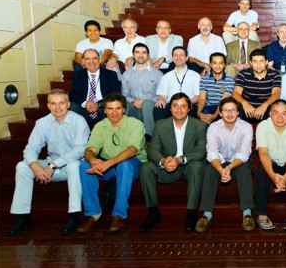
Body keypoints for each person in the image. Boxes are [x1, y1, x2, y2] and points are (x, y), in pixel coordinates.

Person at [7, 89, 90, 237]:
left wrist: (53, 165)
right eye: (53, 103)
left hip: (72, 165)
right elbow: (31, 149)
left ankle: (74, 215)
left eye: (61, 103)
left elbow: (79, 150)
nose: (57, 107)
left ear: (68, 104)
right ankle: (22, 216)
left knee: (74, 165)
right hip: (51, 165)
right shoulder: (42, 123)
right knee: (22, 166)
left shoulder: (79, 121)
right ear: (48, 106)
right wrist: (34, 165)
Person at [77, 92, 147, 233]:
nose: (114, 113)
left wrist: (107, 163)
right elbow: (90, 149)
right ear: (104, 111)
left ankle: (118, 215)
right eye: (110, 109)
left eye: (118, 108)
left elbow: (132, 150)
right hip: (108, 166)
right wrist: (93, 160)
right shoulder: (100, 126)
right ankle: (93, 214)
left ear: (124, 109)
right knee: (84, 165)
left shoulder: (136, 124)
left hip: (133, 165)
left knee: (124, 165)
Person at [138, 92, 207, 232]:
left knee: (198, 166)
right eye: (175, 106)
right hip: (167, 167)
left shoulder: (200, 126)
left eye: (183, 106)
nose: (179, 109)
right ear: (170, 109)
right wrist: (163, 161)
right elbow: (153, 150)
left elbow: (200, 152)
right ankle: (153, 213)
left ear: (189, 108)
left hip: (188, 168)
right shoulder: (160, 125)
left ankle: (191, 214)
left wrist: (179, 160)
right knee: (146, 167)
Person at [197, 97, 255, 232]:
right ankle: (206, 215)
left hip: (239, 161)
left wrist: (229, 167)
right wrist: (221, 169)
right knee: (209, 170)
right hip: (220, 161)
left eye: (233, 110)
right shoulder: (213, 127)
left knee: (244, 169)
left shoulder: (246, 127)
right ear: (220, 113)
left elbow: (244, 152)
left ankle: (247, 214)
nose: (229, 114)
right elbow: (212, 152)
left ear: (238, 112)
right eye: (226, 110)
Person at [254, 99, 286, 231]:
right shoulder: (262, 126)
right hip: (271, 159)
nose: (280, 117)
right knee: (262, 172)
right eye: (276, 113)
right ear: (270, 114)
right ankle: (261, 213)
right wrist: (273, 176)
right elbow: (263, 153)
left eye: (284, 113)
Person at [69, 48, 121, 125]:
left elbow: (115, 95)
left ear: (100, 60)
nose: (91, 61)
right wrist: (85, 103)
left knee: (115, 105)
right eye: (87, 59)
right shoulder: (78, 75)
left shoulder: (110, 74)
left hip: (103, 110)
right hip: (84, 109)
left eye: (94, 58)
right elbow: (73, 94)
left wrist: (98, 105)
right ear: (83, 61)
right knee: (72, 106)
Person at [121, 43, 162, 140]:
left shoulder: (157, 74)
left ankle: (150, 138)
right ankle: (124, 136)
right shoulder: (127, 74)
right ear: (133, 55)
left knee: (147, 104)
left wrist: (143, 102)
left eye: (144, 52)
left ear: (148, 56)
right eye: (137, 52)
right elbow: (124, 94)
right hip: (133, 104)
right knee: (123, 103)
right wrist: (133, 101)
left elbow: (161, 96)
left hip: (150, 106)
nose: (140, 55)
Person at [232, 49, 281, 123]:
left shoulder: (275, 74)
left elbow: (276, 94)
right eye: (255, 61)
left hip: (267, 106)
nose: (258, 65)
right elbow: (236, 93)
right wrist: (245, 103)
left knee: (275, 110)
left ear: (266, 62)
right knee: (236, 110)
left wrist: (264, 106)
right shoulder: (243, 73)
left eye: (261, 61)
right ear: (251, 63)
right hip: (248, 107)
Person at [154, 46, 201, 121]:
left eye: (181, 55)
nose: (178, 57)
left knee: (195, 110)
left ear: (186, 58)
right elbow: (162, 95)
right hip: (171, 106)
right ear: (172, 58)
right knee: (158, 109)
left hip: (189, 104)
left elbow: (198, 97)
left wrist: (185, 102)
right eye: (175, 55)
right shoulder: (166, 76)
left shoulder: (195, 76)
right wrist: (161, 100)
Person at [196, 52, 235, 125]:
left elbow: (223, 101)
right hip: (208, 107)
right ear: (210, 64)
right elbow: (202, 98)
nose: (217, 66)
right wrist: (198, 114)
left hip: (223, 108)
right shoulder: (204, 79)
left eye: (220, 63)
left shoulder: (230, 81)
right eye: (214, 63)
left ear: (224, 65)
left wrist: (214, 116)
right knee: (204, 117)